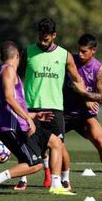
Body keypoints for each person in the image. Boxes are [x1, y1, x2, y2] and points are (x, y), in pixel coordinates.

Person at [0, 41, 76, 196]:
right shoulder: (9, 71)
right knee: (36, 165)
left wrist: (35, 115)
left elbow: (13, 103)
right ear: (17, 55)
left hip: (21, 124)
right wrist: (28, 118)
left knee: (56, 142)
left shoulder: (5, 71)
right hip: (13, 128)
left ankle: (56, 185)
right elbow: (9, 99)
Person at [15, 18, 88, 190]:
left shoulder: (64, 55)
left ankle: (64, 179)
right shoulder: (28, 52)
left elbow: (77, 79)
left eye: (46, 38)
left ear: (54, 36)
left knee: (59, 146)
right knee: (26, 144)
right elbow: (16, 77)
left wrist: (87, 97)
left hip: (55, 109)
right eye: (40, 36)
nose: (42, 40)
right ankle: (23, 179)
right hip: (31, 108)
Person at [62, 34, 102, 191]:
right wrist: (85, 97)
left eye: (84, 51)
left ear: (93, 51)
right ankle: (62, 179)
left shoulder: (98, 69)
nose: (80, 54)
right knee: (53, 143)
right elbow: (67, 84)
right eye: (79, 51)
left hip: (84, 114)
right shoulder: (69, 61)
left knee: (99, 139)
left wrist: (85, 97)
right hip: (64, 112)